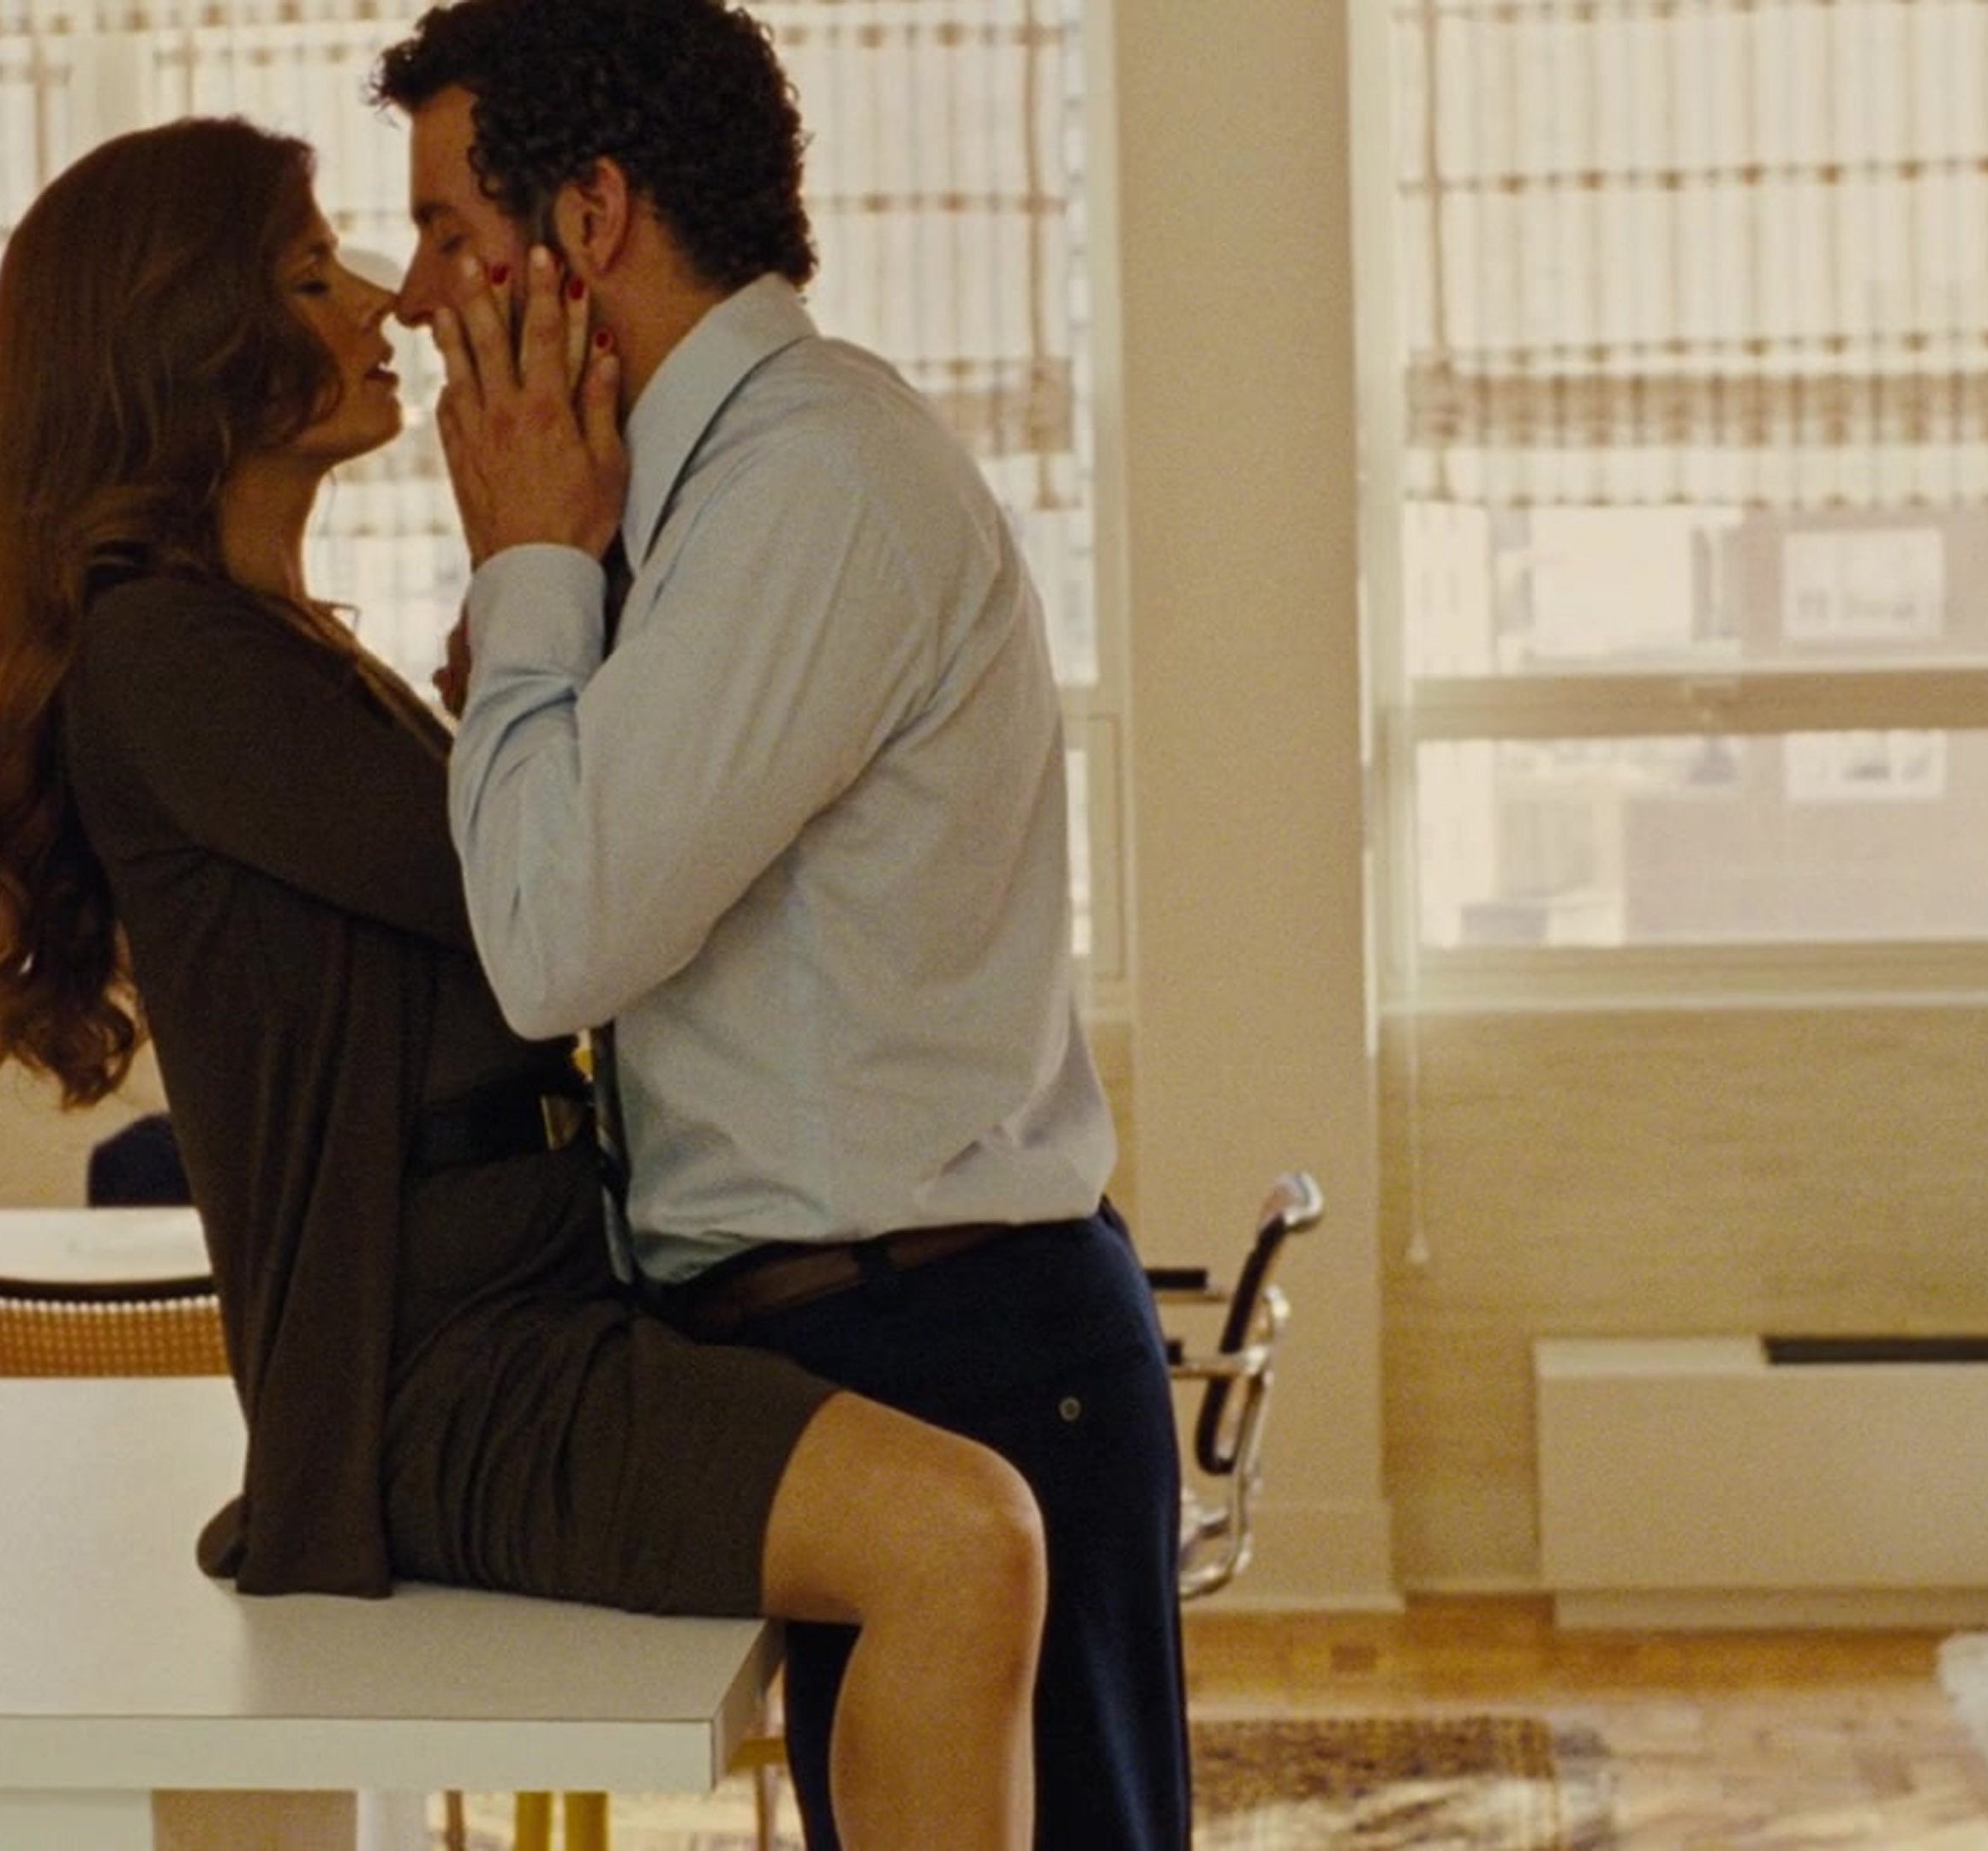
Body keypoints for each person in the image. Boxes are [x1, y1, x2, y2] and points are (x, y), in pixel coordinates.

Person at [0, 115, 1047, 1848]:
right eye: (311, 273)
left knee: (962, 1526)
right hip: (446, 1377)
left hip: (537, 1312)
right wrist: (539, 569)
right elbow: (544, 909)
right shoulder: (170, 662)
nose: (384, 300)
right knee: (960, 1539)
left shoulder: (285, 652)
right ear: (184, 344)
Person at [376, 4, 1191, 1847]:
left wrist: (527, 572)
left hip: (958, 1353)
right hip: (864, 1350)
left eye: (444, 229)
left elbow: (553, 943)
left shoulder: (808, 486)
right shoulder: (694, 498)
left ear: (590, 218)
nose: (414, 296)